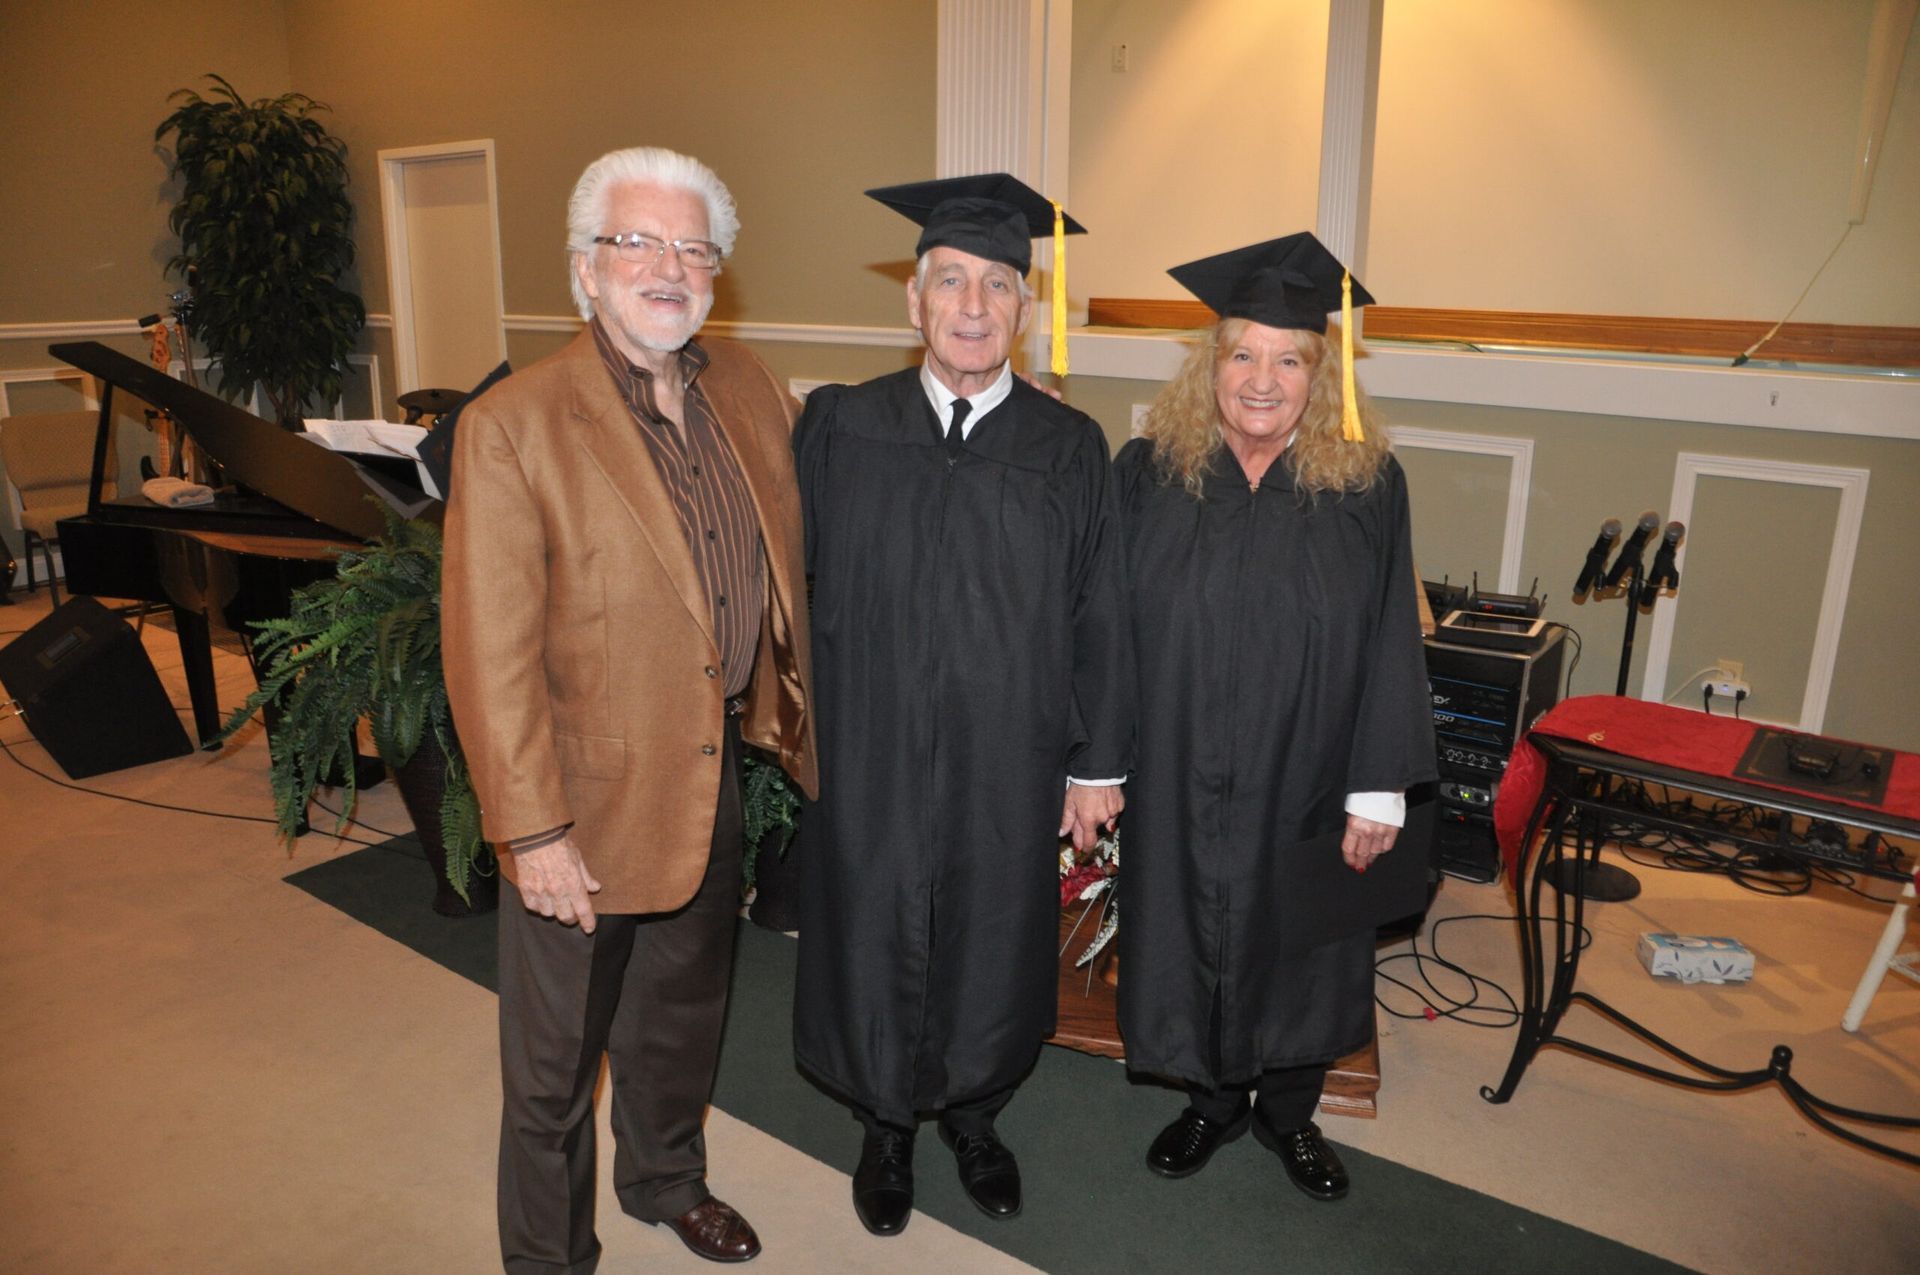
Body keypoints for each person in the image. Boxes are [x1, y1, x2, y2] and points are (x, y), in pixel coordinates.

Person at [442, 146, 816, 1272]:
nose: (670, 267)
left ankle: (665, 1179)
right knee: (554, 1070)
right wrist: (533, 831)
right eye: (638, 242)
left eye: (693, 248)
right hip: (581, 814)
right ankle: (550, 1258)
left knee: (679, 1023)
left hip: (707, 786)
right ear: (584, 269)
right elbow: (488, 650)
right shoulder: (516, 423)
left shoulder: (746, 387)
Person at [791, 174, 1133, 1237]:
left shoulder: (1068, 448)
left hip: (1008, 750)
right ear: (914, 302)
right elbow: (787, 592)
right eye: (951, 281)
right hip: (870, 749)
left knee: (993, 932)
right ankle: (887, 1125)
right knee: (874, 923)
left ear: (1025, 310)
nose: (974, 305)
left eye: (996, 284)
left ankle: (976, 1116)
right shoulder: (842, 429)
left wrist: (1097, 764)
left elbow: (1102, 615)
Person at [1112, 233, 1436, 1203]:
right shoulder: (1148, 474)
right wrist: (1101, 761)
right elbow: (1099, 617)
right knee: (1190, 931)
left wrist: (1379, 783)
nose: (1262, 379)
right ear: (1209, 367)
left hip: (1311, 769)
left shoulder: (1367, 485)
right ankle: (1211, 1103)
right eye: (1242, 354)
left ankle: (1288, 1115)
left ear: (1319, 376)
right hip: (1177, 767)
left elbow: (1390, 634)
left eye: (1288, 358)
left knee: (1302, 942)